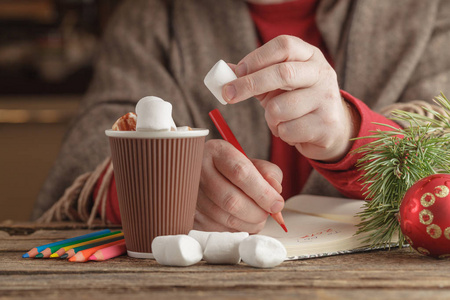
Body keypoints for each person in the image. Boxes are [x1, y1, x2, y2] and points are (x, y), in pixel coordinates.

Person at [33, 0, 450, 234]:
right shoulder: (152, 17)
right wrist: (164, 180)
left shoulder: (427, 11)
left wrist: (351, 134)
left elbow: (440, 139)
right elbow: (84, 158)